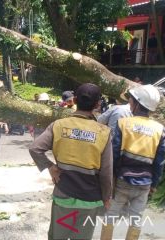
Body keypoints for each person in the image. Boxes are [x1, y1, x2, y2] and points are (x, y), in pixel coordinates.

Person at [29, 83, 113, 240]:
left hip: (64, 196)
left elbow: (35, 148)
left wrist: (50, 166)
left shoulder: (59, 125)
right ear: (97, 104)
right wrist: (107, 197)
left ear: (74, 100)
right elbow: (106, 172)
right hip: (90, 200)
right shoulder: (103, 132)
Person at [101, 84, 165, 240]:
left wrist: (113, 178)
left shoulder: (123, 124)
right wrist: (154, 184)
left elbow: (114, 154)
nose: (129, 102)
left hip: (122, 181)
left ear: (137, 103)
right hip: (145, 183)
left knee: (110, 216)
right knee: (136, 220)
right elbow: (160, 162)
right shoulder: (161, 130)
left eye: (130, 99)